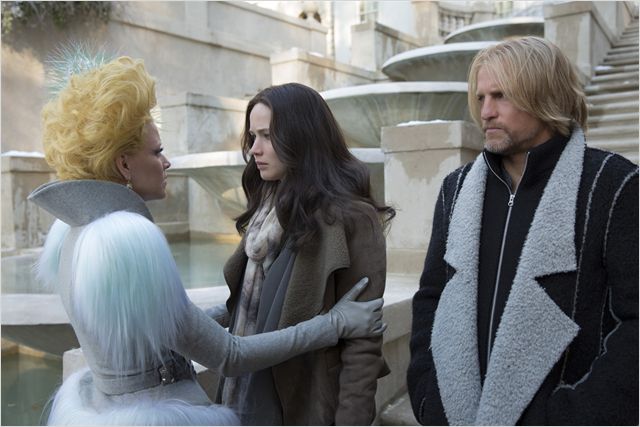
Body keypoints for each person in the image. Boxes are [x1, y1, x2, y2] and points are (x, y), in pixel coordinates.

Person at [29, 55, 386, 426]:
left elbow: (170, 324)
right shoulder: (127, 242)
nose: (167, 162)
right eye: (157, 152)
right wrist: (333, 324)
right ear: (123, 165)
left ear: (302, 136)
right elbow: (228, 354)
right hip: (167, 409)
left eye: (267, 135)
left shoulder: (76, 233)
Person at [407, 36, 638, 425]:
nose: (486, 112)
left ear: (544, 96)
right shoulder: (456, 189)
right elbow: (432, 296)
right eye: (481, 98)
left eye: (501, 96)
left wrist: (571, 415)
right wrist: (429, 396)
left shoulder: (613, 186)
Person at [214, 82, 395, 425]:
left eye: (267, 136)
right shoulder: (265, 212)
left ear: (302, 136)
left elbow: (363, 344)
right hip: (240, 394)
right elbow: (243, 307)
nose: (255, 149)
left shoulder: (351, 218)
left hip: (307, 404)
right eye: (252, 137)